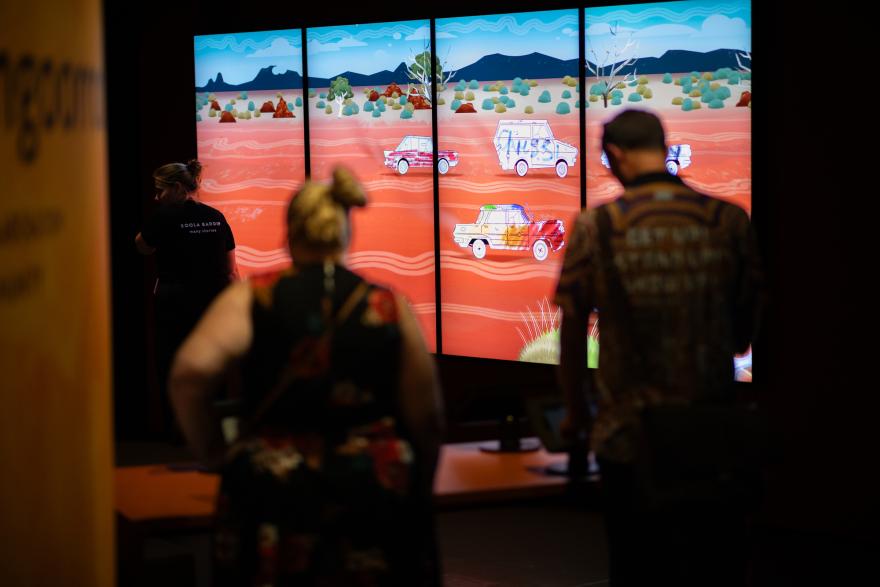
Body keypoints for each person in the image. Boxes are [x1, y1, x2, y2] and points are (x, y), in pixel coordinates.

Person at [169, 167, 444, 586]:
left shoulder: (253, 295)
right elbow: (427, 417)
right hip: (370, 489)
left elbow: (189, 375)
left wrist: (211, 452)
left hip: (276, 493)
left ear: (290, 234)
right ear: (345, 233)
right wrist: (416, 482)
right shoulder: (387, 305)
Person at [556, 110, 762, 586]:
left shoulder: (596, 227)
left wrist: (575, 413)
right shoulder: (728, 221)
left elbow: (571, 332)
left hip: (629, 437)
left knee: (635, 566)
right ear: (664, 149)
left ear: (615, 156)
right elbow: (745, 332)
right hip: (710, 433)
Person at [135, 159, 238, 438]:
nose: (157, 197)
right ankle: (217, 430)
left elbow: (142, 246)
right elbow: (231, 270)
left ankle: (180, 432)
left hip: (174, 304)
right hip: (213, 305)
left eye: (161, 190)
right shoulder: (216, 217)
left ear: (178, 187)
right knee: (213, 366)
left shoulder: (164, 215)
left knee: (173, 366)